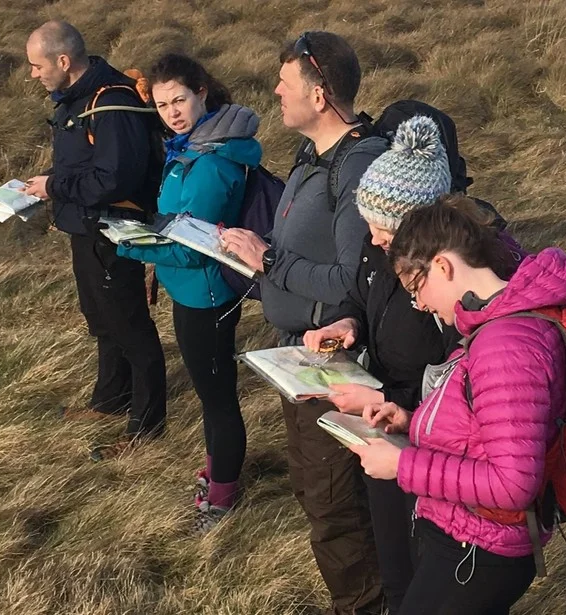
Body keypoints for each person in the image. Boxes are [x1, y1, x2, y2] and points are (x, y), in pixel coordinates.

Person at [350, 195, 566, 614]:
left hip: (481, 547)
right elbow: (486, 423)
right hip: (468, 534)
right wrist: (411, 421)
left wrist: (401, 466)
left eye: (415, 287)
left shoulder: (505, 344)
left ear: (442, 265)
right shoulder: (495, 322)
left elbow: (513, 484)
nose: (419, 304)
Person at [220, 31, 386, 615]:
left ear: (319, 95)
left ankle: (365, 605)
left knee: (336, 504)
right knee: (319, 495)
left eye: (285, 82)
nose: (275, 91)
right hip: (300, 358)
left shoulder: (357, 163)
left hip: (335, 364)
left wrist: (267, 260)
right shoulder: (313, 155)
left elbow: (349, 281)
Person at [303, 115, 459, 614]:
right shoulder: (381, 257)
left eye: (383, 229)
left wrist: (388, 403)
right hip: (385, 431)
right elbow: (362, 296)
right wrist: (348, 325)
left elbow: (464, 378)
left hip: (436, 447)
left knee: (433, 579)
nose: (372, 240)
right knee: (395, 571)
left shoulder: (456, 288)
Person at [117, 53, 262, 531]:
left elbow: (198, 250)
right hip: (189, 292)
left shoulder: (212, 160)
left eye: (179, 99)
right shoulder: (190, 144)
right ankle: (217, 471)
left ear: (202, 90)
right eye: (161, 105)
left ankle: (220, 498)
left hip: (208, 294)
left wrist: (133, 249)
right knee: (209, 394)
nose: (172, 112)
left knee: (218, 398)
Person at [23, 20, 167, 460]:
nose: (33, 75)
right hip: (85, 226)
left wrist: (54, 187)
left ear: (63, 61)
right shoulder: (78, 98)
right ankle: (111, 400)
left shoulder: (111, 104)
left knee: (130, 326)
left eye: (37, 65)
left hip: (111, 230)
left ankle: (147, 426)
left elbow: (112, 178)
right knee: (102, 318)